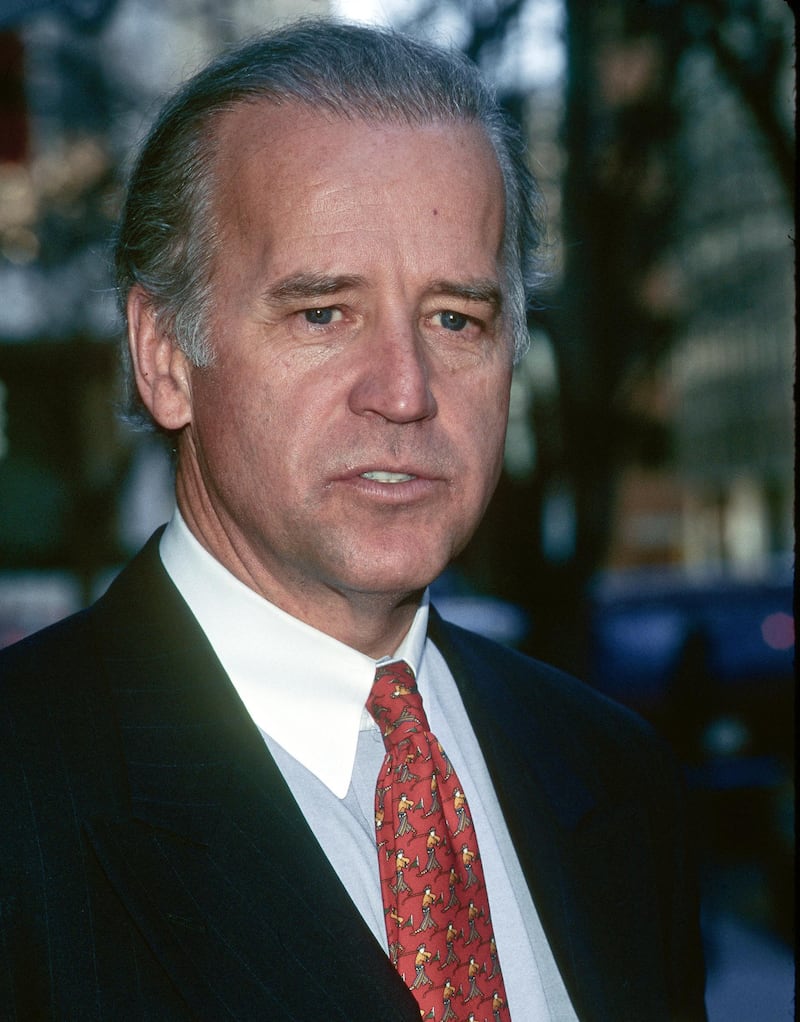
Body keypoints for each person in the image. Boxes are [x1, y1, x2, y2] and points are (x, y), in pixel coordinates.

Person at [0, 19, 707, 1021]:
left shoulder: (613, 775)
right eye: (322, 313)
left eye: (454, 317)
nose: (404, 390)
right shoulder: (24, 796)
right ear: (163, 355)